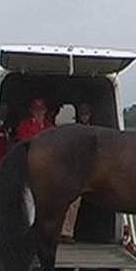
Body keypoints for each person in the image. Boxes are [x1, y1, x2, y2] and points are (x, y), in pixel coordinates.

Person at [59, 103, 93, 243]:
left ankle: (67, 232)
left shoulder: (92, 131)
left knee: (74, 204)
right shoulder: (74, 131)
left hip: (86, 172)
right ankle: (63, 231)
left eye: (86, 114)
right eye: (83, 114)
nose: (84, 117)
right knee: (68, 202)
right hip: (74, 171)